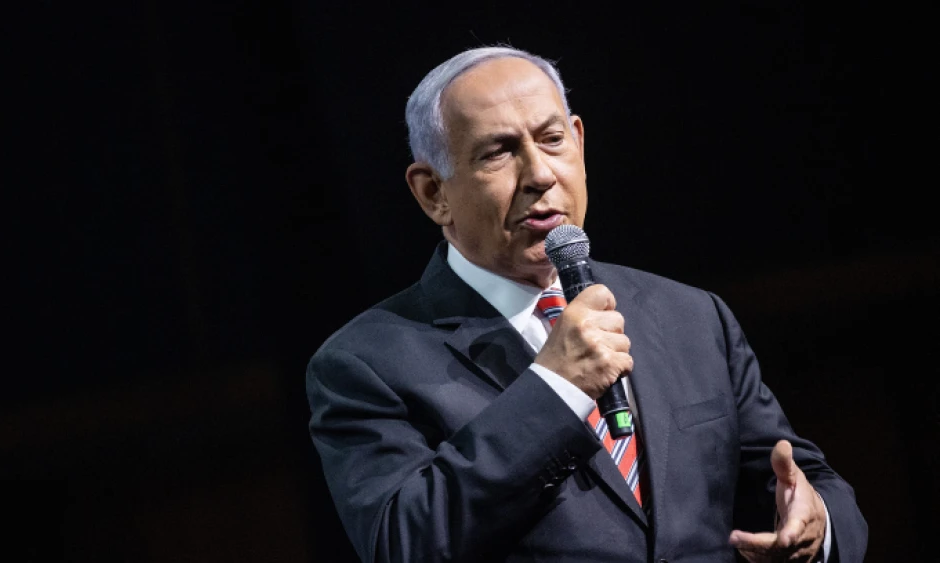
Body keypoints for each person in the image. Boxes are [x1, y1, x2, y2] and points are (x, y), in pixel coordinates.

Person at [305, 46, 867, 563]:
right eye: (499, 153)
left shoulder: (692, 317)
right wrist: (555, 388)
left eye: (552, 141)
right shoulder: (366, 363)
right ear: (433, 193)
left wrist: (816, 525)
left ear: (579, 141)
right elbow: (404, 541)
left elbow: (802, 479)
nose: (541, 175)